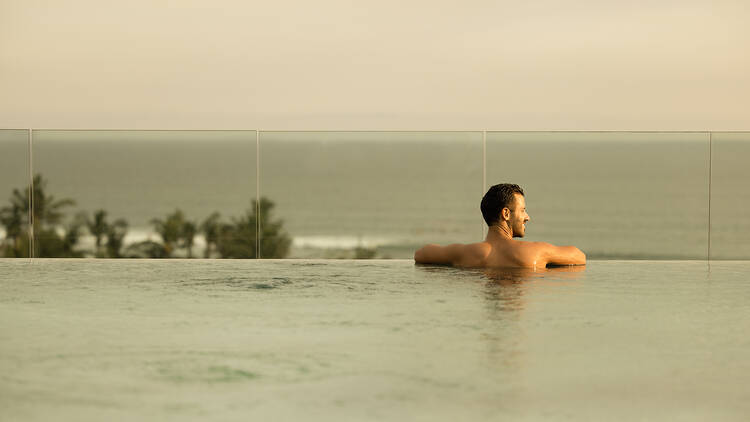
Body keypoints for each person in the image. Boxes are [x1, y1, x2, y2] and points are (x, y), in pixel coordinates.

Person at [414, 183, 585, 268]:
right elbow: (579, 256)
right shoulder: (534, 251)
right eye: (523, 210)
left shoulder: (465, 253)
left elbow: (421, 254)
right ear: (506, 214)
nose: (527, 217)